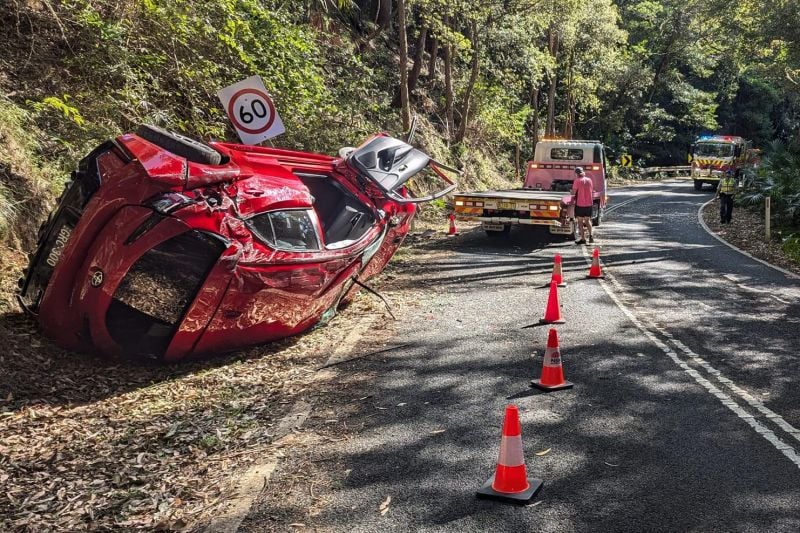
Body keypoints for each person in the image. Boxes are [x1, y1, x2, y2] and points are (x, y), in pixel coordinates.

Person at [571, 167, 594, 244]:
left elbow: (573, 193)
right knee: (588, 221)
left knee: (580, 222)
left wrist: (570, 192)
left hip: (580, 204)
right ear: (583, 172)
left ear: (576, 174)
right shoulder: (589, 180)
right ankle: (591, 236)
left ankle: (583, 239)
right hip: (589, 204)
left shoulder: (577, 181)